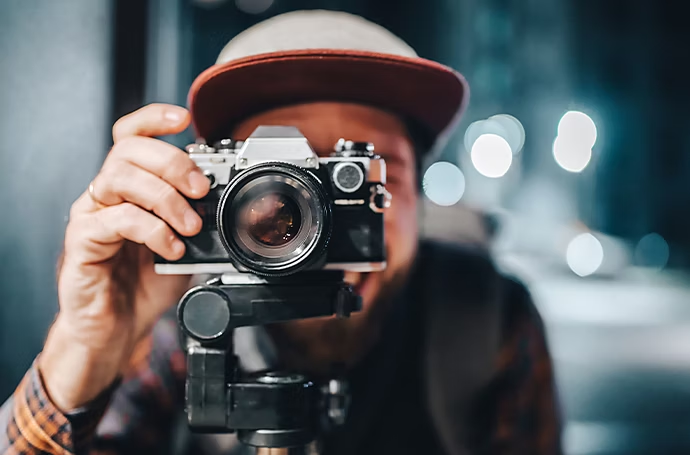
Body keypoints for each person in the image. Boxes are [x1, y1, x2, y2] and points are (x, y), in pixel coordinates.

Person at [0, 10, 562, 455]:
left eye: (355, 174)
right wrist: (83, 349)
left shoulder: (486, 319)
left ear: (417, 193)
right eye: (279, 183)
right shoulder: (178, 320)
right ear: (210, 190)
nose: (316, 215)